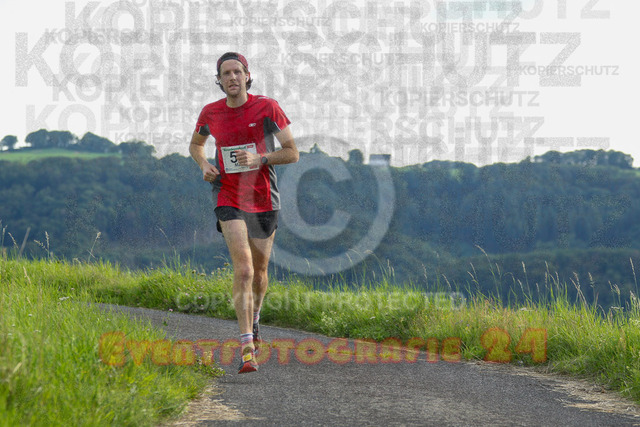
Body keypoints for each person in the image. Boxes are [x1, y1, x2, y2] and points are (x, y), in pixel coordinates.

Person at [189, 52, 299, 374]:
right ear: (219, 80)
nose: (232, 77)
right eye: (226, 73)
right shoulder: (210, 112)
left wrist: (260, 159)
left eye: (237, 72)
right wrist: (204, 164)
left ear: (247, 76)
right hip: (227, 194)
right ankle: (247, 346)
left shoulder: (267, 107)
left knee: (260, 273)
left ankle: (256, 318)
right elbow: (196, 145)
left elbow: (292, 153)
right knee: (245, 269)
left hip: (263, 198)